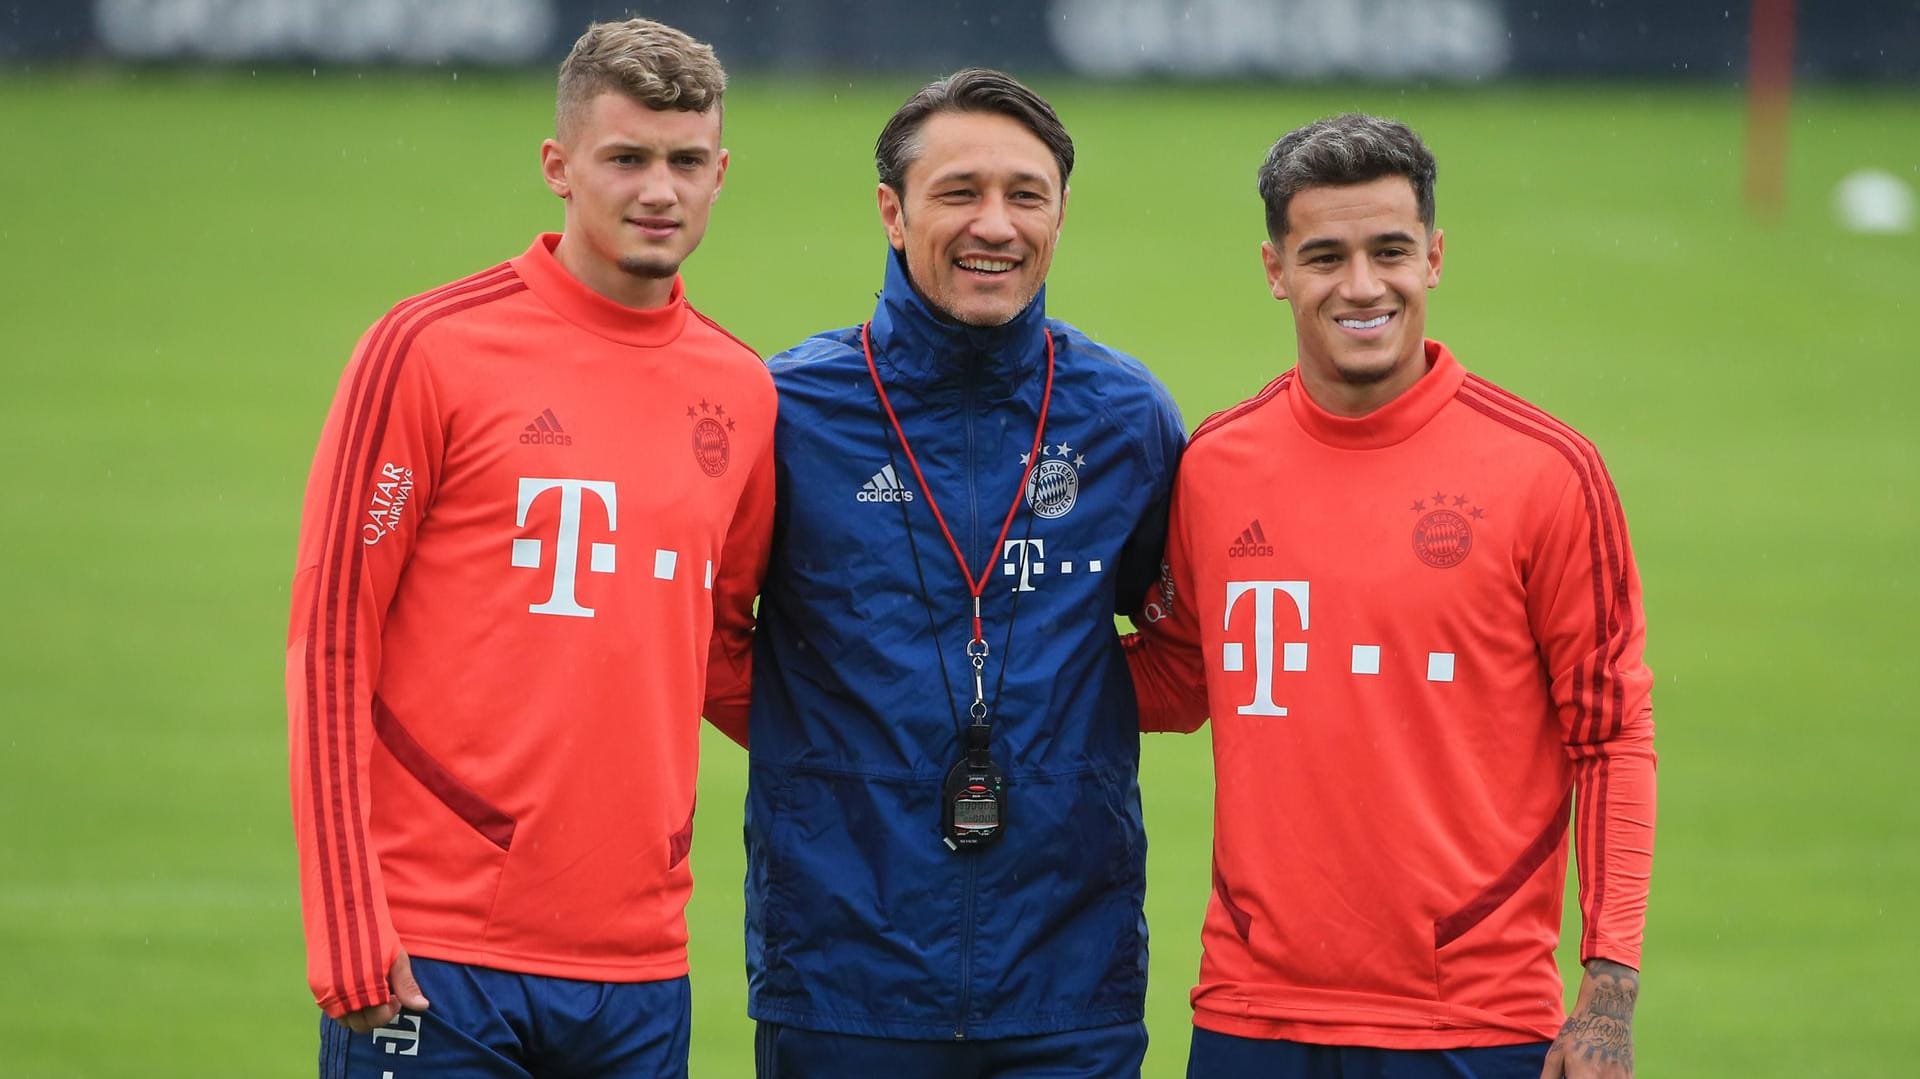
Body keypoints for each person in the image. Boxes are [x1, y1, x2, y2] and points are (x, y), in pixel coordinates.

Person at [284, 19, 772, 1077]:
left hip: (642, 964)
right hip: (434, 952)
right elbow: (330, 641)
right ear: (559, 166)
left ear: (721, 173)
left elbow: (727, 652)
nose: (660, 190)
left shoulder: (742, 389)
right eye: (627, 158)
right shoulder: (428, 350)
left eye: (686, 161)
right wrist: (345, 920)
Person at [1124, 113, 1656, 1079]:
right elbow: (1178, 676)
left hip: (1478, 1027)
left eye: (1391, 251)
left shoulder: (1546, 472)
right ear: (1275, 268)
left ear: (1436, 256)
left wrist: (1608, 992)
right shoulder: (1215, 464)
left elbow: (1611, 735)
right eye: (1324, 254)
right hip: (1250, 1018)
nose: (1362, 286)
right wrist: (970, 652)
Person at [703, 68, 1185, 1078]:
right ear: (893, 210)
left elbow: (1185, 648)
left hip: (1070, 974)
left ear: (1061, 211)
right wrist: (838, 727)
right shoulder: (787, 411)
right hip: (842, 972)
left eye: (1026, 193)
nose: (995, 225)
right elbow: (701, 633)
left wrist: (1063, 715)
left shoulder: (1125, 416)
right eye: (959, 191)